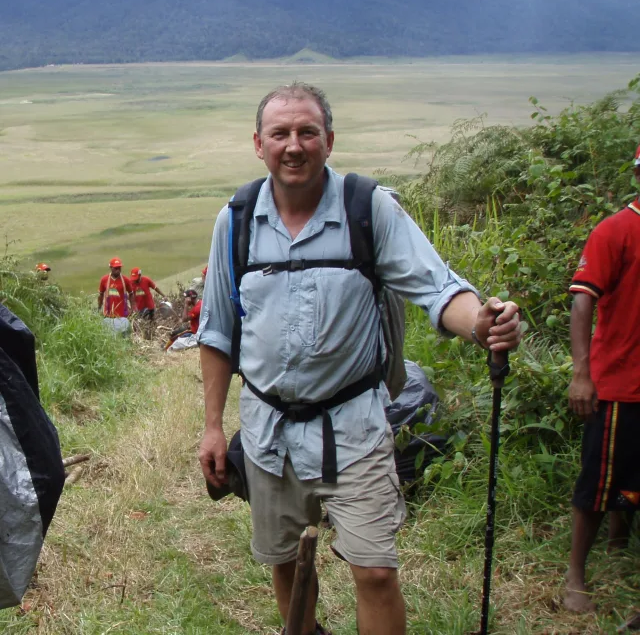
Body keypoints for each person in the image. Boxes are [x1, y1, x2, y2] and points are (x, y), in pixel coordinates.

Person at [196, 83, 522, 635]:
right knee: (284, 561)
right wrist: (210, 427)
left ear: (329, 139)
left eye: (307, 132)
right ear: (259, 143)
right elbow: (217, 331)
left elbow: (438, 289)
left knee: (373, 570)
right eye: (280, 134)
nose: (294, 145)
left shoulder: (367, 208)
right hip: (267, 429)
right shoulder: (237, 219)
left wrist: (481, 324)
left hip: (354, 426)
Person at [564, 146, 640, 613]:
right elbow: (582, 302)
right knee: (597, 482)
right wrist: (581, 375)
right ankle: (575, 574)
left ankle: (618, 546)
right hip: (620, 382)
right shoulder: (617, 230)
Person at [98, 258, 135, 333]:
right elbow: (100, 295)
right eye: (116, 268)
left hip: (122, 316)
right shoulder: (104, 280)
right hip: (108, 316)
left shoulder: (125, 280)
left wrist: (132, 309)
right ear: (111, 268)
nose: (118, 270)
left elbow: (131, 294)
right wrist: (99, 308)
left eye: (119, 268)